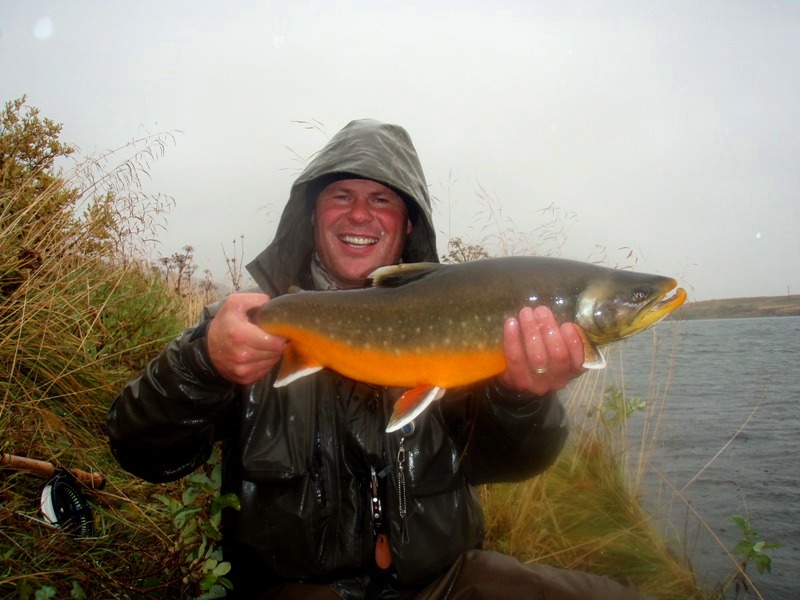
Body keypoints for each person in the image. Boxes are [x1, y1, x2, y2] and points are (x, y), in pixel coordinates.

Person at [107, 119, 645, 599]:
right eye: (340, 195)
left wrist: (523, 399)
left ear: (408, 225)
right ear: (310, 216)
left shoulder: (468, 323)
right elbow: (140, 451)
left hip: (446, 583)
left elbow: (511, 464)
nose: (360, 213)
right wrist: (202, 364)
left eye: (383, 200)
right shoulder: (245, 324)